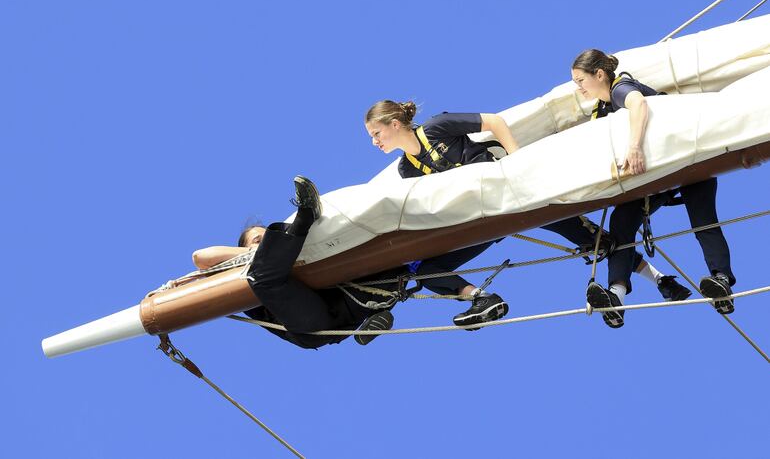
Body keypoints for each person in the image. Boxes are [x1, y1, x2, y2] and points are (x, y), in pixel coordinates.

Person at [363, 101, 688, 319]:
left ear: (394, 124)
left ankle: (659, 280)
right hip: (479, 221)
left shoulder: (436, 127)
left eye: (376, 133)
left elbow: (493, 121)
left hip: (511, 195)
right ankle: (479, 298)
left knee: (597, 241)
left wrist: (517, 161)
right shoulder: (408, 170)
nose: (375, 142)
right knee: (424, 268)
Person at [191, 176, 504, 348]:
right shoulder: (246, 269)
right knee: (262, 276)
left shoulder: (298, 255)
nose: (265, 241)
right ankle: (305, 217)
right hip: (311, 325)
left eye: (268, 236)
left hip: (351, 301)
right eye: (258, 239)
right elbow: (200, 257)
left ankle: (479, 299)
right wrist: (263, 248)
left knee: (411, 263)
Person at [571, 49, 736, 328]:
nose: (578, 88)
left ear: (599, 74)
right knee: (622, 220)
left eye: (580, 81)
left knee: (702, 220)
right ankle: (616, 295)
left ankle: (721, 280)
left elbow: (639, 105)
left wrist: (634, 147)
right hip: (656, 178)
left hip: (688, 161)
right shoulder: (601, 112)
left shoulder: (620, 88)